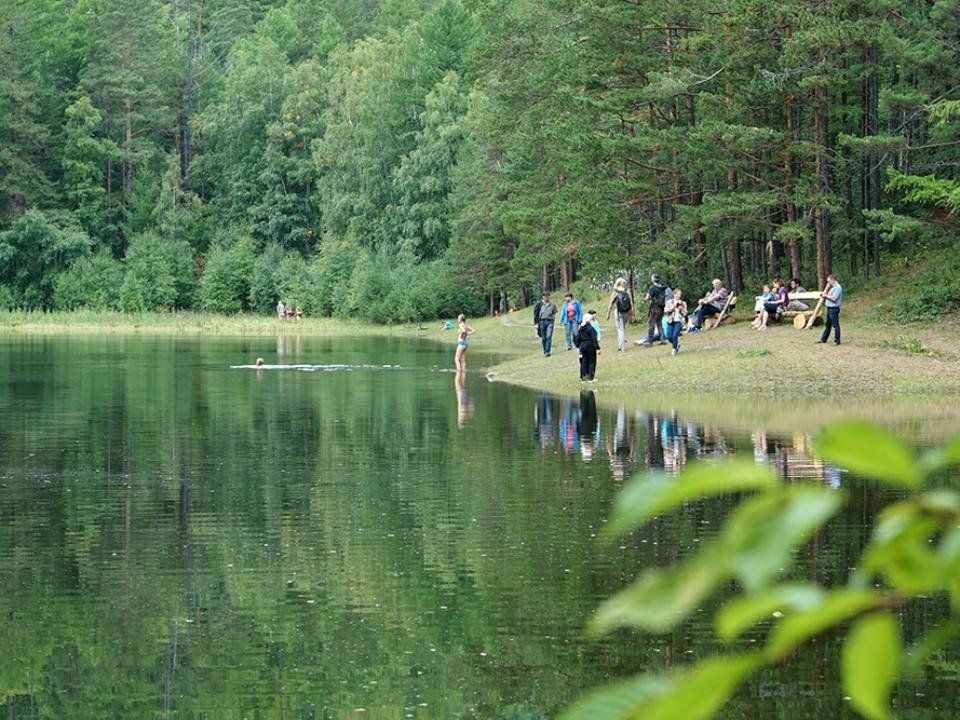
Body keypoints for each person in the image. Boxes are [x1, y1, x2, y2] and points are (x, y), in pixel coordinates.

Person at [606, 277, 633, 352]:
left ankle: (622, 348)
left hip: (618, 312)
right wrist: (632, 314)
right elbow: (631, 303)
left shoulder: (615, 292)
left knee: (620, 330)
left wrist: (608, 314)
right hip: (627, 312)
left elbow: (610, 304)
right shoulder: (627, 291)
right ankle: (620, 345)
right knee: (623, 328)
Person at [574, 309, 600, 382]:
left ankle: (583, 376)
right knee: (592, 361)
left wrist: (578, 346)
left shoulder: (581, 328)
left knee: (583, 362)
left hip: (582, 346)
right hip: (590, 346)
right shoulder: (590, 328)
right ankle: (590, 377)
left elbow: (577, 338)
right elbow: (594, 338)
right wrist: (597, 348)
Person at [817, 274, 843, 345]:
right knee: (828, 324)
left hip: (833, 308)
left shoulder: (838, 287)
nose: (828, 283)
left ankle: (837, 340)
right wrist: (827, 288)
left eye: (829, 281)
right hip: (829, 308)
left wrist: (825, 295)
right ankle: (823, 339)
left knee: (835, 325)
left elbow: (834, 298)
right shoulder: (833, 287)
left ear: (833, 280)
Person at [644, 273, 668, 347]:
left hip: (654, 307)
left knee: (651, 324)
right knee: (659, 323)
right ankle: (662, 339)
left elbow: (647, 298)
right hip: (661, 307)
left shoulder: (652, 288)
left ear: (653, 279)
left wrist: (646, 298)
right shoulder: (662, 287)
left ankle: (650, 341)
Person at [663, 288, 688, 356]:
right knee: (668, 337)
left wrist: (681, 309)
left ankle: (674, 350)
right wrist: (672, 308)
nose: (678, 296)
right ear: (674, 294)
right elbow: (665, 311)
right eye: (677, 294)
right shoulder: (669, 302)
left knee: (675, 335)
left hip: (679, 321)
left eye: (680, 294)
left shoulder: (683, 303)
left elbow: (685, 314)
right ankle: (676, 344)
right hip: (671, 321)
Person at [537, 292, 558, 356]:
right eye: (544, 296)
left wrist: (553, 322)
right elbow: (538, 314)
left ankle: (547, 351)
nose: (546, 297)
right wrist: (537, 323)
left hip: (549, 321)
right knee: (543, 338)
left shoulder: (553, 305)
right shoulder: (540, 305)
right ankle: (545, 350)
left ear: (549, 297)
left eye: (547, 296)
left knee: (548, 336)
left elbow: (554, 313)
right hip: (542, 322)